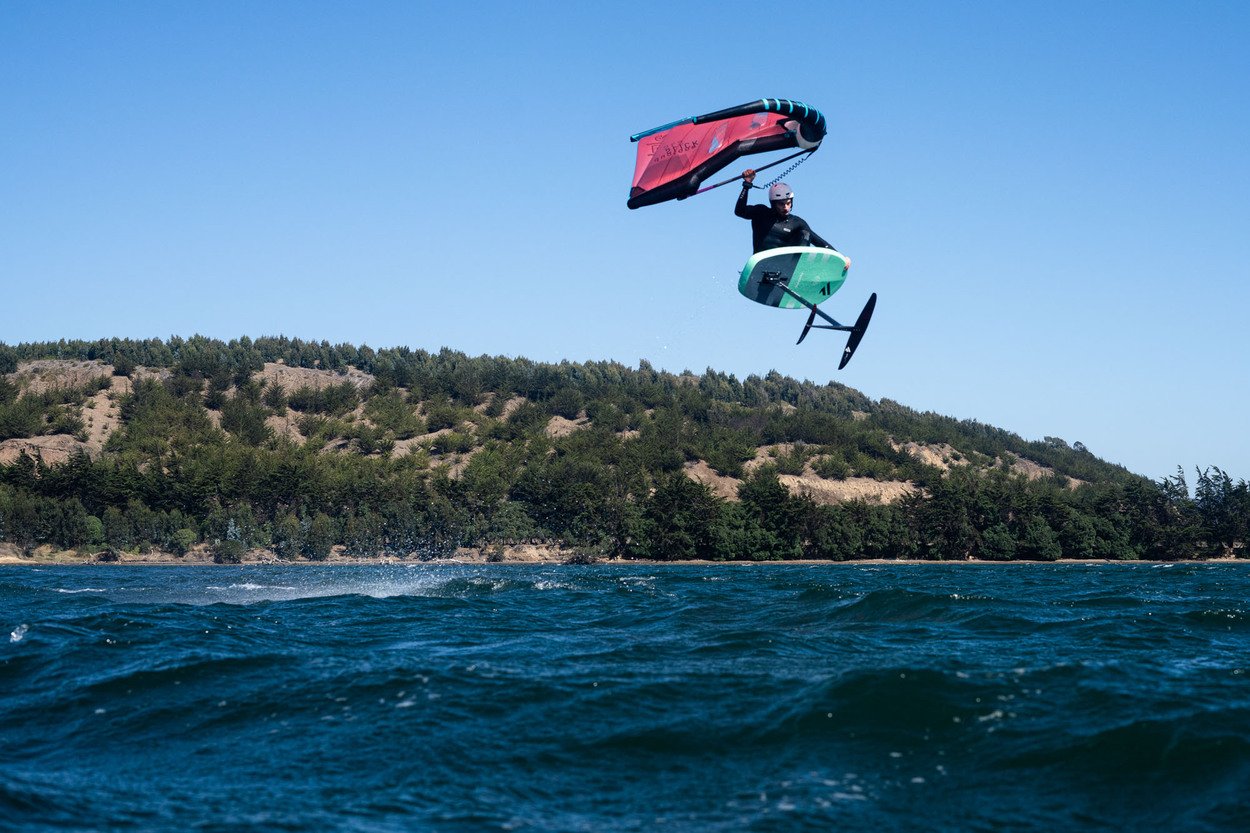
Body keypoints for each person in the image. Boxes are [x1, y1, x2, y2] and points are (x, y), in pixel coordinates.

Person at [735, 169, 837, 254]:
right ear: (773, 203)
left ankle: (799, 266)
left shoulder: (796, 222)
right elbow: (739, 211)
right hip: (761, 265)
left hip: (784, 266)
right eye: (781, 204)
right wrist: (747, 185)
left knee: (805, 233)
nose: (786, 207)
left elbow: (818, 241)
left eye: (788, 203)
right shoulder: (761, 213)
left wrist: (840, 258)